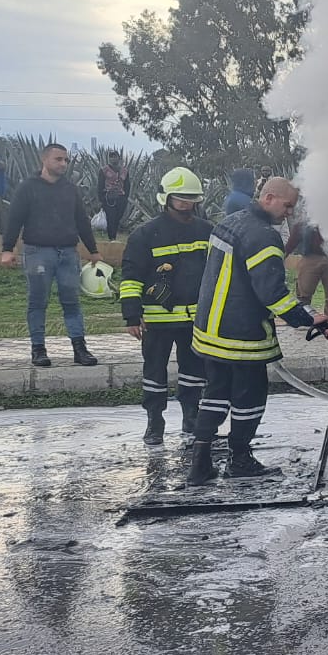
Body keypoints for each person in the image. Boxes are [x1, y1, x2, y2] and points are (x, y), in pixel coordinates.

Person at [186, 177, 326, 484]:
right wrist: (306, 318)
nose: (289, 214)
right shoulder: (263, 236)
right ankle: (240, 460)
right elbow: (272, 293)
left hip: (210, 330)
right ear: (269, 197)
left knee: (215, 393)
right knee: (250, 397)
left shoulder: (229, 222)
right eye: (287, 206)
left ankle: (200, 463)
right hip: (241, 334)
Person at [120, 167, 212, 446]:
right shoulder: (145, 234)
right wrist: (132, 315)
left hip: (194, 320)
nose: (186, 204)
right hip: (156, 320)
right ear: (167, 198)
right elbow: (131, 277)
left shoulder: (207, 231)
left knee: (194, 371)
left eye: (190, 199)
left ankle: (191, 417)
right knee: (154, 371)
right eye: (180, 198)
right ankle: (154, 422)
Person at [0, 142, 101, 367]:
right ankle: (38, 349)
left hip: (68, 253)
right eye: (58, 159)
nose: (63, 163)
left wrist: (93, 251)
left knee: (72, 302)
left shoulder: (70, 189)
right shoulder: (28, 187)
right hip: (38, 252)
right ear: (44, 159)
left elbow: (82, 221)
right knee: (38, 302)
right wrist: (7, 249)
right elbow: (14, 219)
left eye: (66, 160)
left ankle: (80, 348)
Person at [285, 219, 328, 317]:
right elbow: (293, 240)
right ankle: (303, 318)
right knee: (303, 294)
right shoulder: (304, 222)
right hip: (310, 258)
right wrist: (283, 255)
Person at [97, 149, 130, 240]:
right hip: (108, 198)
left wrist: (125, 198)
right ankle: (112, 238)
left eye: (115, 156)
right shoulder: (104, 170)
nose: (113, 159)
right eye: (111, 157)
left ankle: (113, 236)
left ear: (119, 158)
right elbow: (100, 185)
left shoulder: (124, 171)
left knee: (117, 218)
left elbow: (127, 185)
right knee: (111, 218)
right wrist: (101, 199)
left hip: (121, 198)